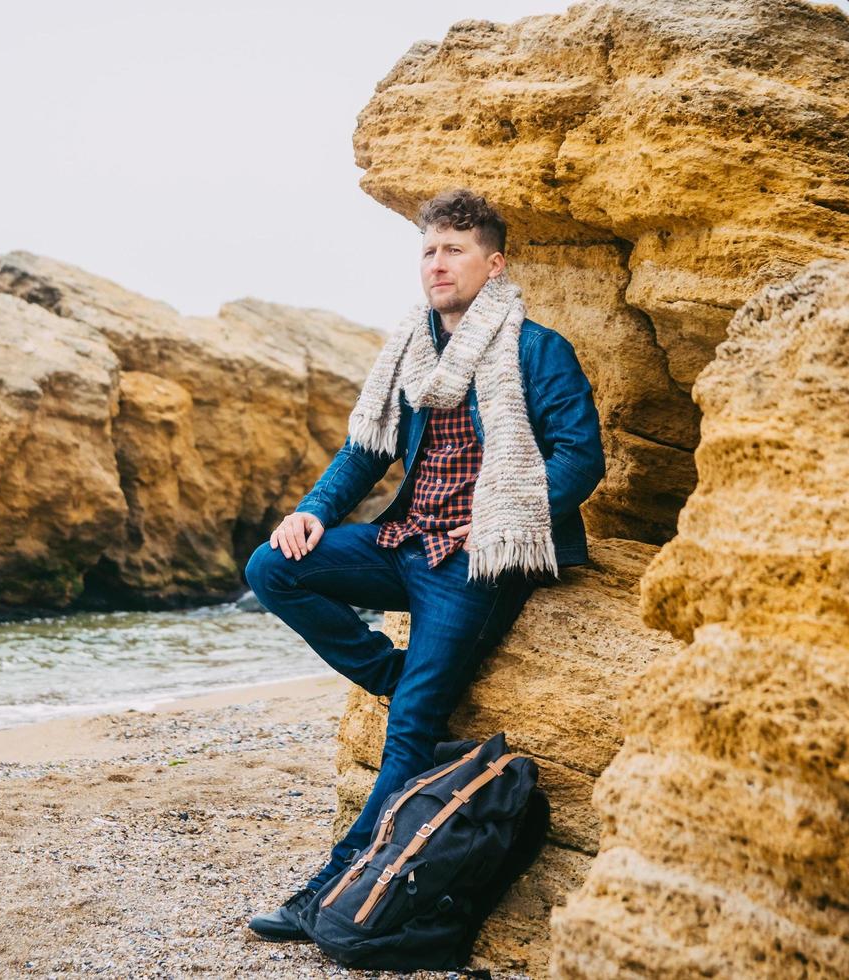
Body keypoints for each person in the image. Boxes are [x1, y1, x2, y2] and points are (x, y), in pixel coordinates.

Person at [242, 188, 605, 941]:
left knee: (412, 728)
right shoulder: (412, 350)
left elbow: (581, 457)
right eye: (429, 251)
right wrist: (312, 511)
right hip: (402, 540)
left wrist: (503, 521)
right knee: (272, 568)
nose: (437, 264)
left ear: (493, 264)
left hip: (476, 561)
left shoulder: (538, 350)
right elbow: (365, 449)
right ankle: (393, 671)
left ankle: (326, 891)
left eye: (455, 250)